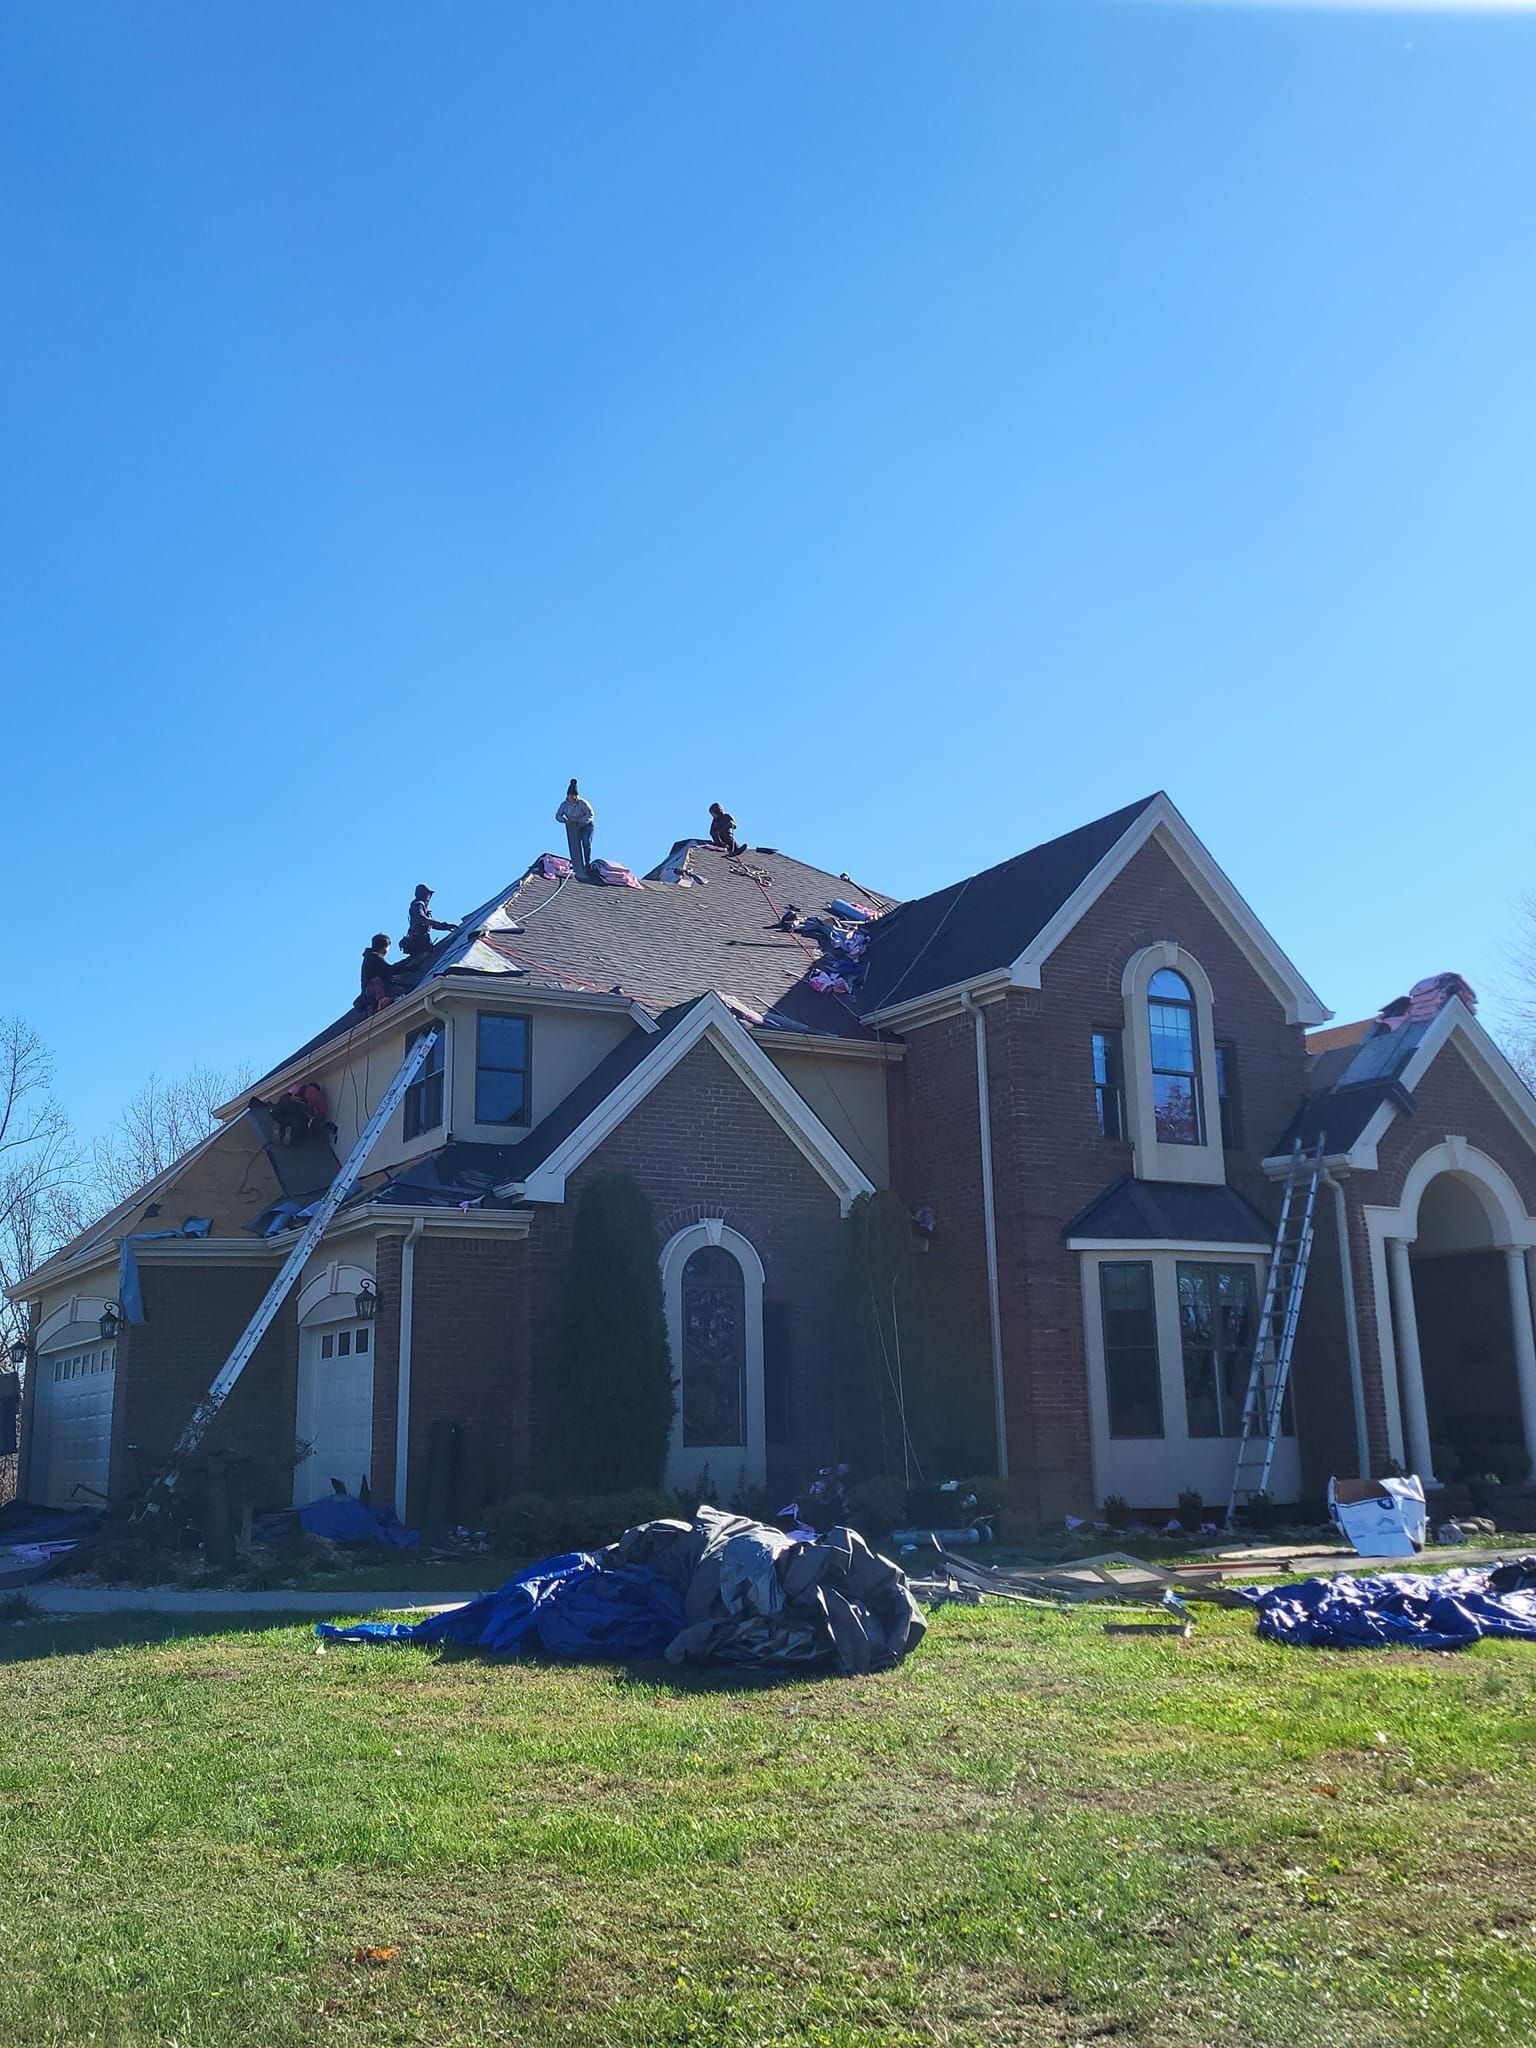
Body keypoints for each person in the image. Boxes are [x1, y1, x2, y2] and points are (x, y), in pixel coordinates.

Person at [401, 883, 456, 959]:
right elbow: (422, 919)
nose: (429, 896)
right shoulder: (418, 905)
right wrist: (442, 925)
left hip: (422, 939)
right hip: (418, 940)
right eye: (427, 894)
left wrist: (445, 926)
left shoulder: (423, 906)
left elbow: (431, 924)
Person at [556, 779, 596, 877]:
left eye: (575, 795)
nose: (573, 798)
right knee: (575, 845)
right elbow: (558, 815)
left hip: (586, 825)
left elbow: (591, 814)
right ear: (568, 796)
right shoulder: (564, 805)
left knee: (586, 842)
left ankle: (587, 863)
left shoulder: (582, 803)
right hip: (573, 827)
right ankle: (577, 864)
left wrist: (581, 821)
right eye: (571, 796)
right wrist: (565, 821)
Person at [358, 933, 394, 1014]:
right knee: (376, 981)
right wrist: (408, 968)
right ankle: (381, 1000)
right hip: (370, 991)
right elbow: (389, 969)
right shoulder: (373, 957)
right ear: (384, 948)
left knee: (398, 988)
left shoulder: (372, 957)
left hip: (378, 988)